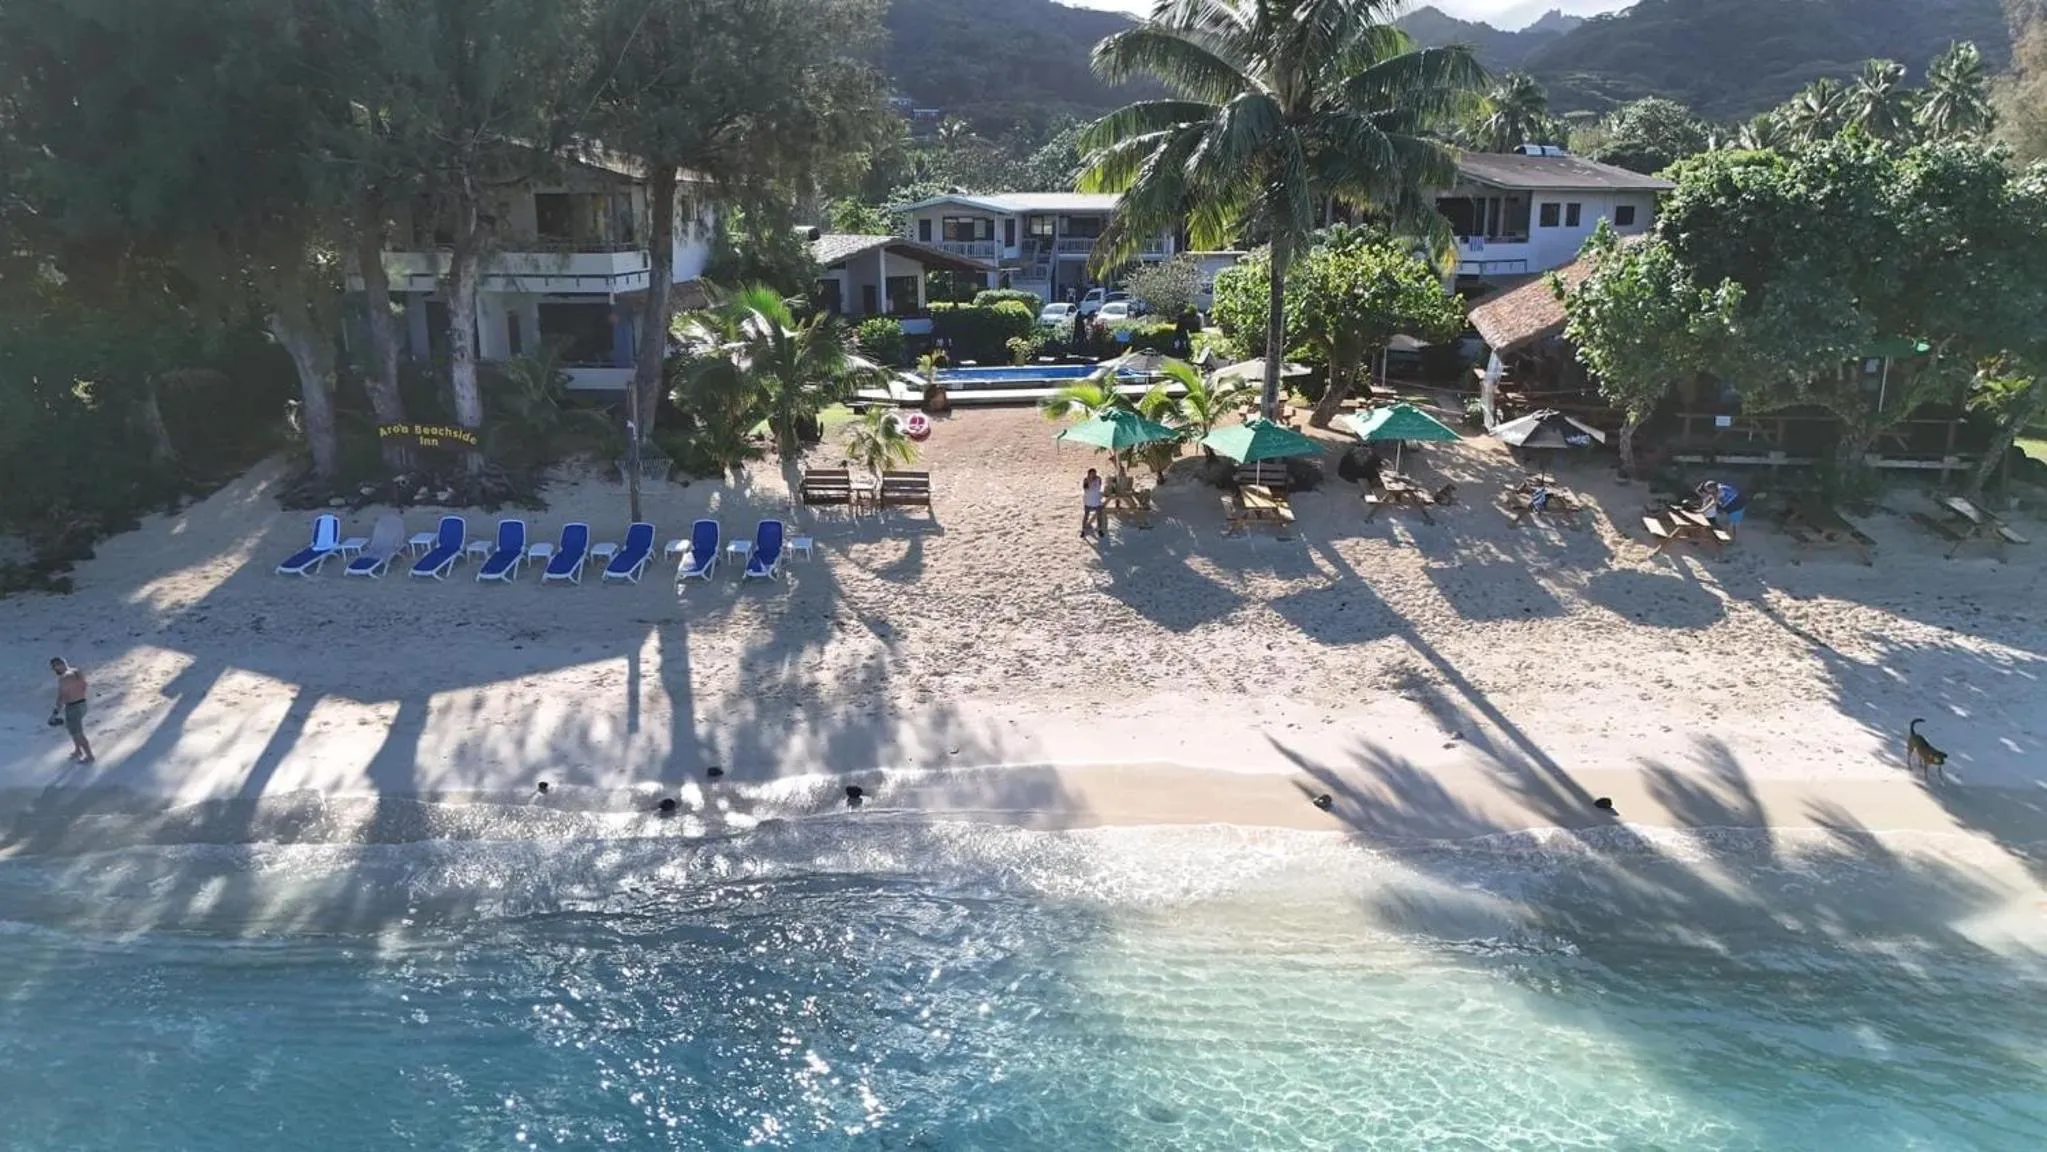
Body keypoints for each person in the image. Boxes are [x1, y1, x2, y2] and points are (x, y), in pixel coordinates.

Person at [49, 657, 92, 763]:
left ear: (59, 665)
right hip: (82, 704)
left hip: (73, 707)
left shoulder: (64, 678)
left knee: (78, 733)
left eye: (54, 667)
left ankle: (89, 756)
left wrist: (55, 713)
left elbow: (61, 697)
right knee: (73, 729)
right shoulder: (76, 671)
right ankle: (78, 750)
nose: (54, 670)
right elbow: (84, 686)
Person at [1080, 468, 1106, 539]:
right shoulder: (1086, 480)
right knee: (1086, 516)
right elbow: (1085, 488)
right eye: (1092, 474)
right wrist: (1090, 481)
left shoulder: (1098, 479)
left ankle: (1099, 529)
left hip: (1097, 501)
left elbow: (1099, 486)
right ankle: (1083, 530)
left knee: (1099, 516)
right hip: (1088, 501)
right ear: (1089, 474)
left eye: (1094, 473)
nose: (1093, 475)